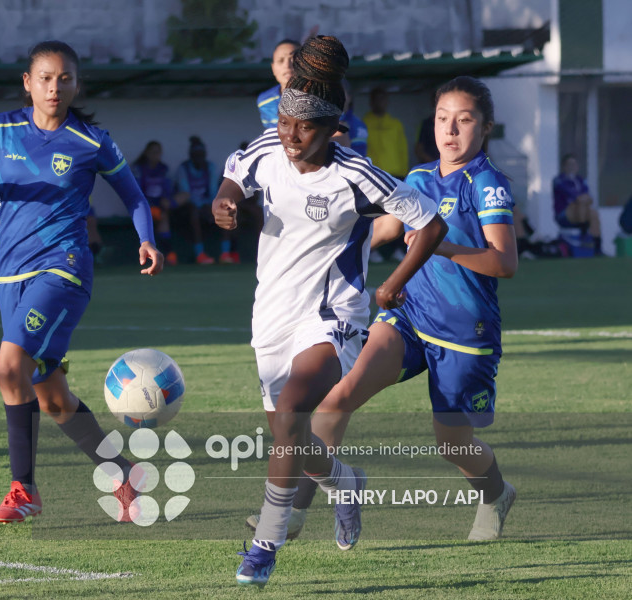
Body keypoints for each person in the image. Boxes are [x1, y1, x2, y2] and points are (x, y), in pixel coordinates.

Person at [213, 35, 447, 587]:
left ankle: (265, 543)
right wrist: (225, 204)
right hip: (270, 314)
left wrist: (392, 283)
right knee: (294, 441)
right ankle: (343, 481)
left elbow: (430, 225)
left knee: (294, 411)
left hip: (333, 315)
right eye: (286, 122)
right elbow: (233, 179)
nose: (292, 136)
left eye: (306, 127)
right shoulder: (268, 146)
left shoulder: (356, 174)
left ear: (333, 126)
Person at [255, 75, 519, 545]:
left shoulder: (487, 184)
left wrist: (442, 247)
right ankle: (295, 512)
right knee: (336, 399)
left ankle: (495, 493)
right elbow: (379, 232)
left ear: (487, 128)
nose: (451, 129)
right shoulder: (417, 179)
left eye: (464, 119)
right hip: (409, 316)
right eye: (442, 119)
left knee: (452, 443)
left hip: (465, 329)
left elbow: (504, 262)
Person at [0, 40, 162, 524]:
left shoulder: (92, 141)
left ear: (76, 85)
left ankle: (24, 491)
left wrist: (145, 239)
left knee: (8, 366)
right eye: (45, 77)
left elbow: (134, 197)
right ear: (27, 82)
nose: (54, 87)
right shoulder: (0, 130)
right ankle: (125, 476)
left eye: (64, 79)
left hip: (64, 269)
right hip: (10, 277)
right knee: (52, 397)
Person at [363, 86, 409, 262]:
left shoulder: (395, 123)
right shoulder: (364, 122)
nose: (380, 103)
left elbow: (402, 148)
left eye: (383, 99)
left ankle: (399, 248)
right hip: (373, 175)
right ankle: (373, 250)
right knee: (373, 214)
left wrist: (404, 173)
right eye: (377, 99)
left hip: (395, 174)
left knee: (399, 213)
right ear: (371, 102)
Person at [175, 136, 236, 264]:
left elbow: (214, 191)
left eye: (201, 155)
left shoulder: (210, 167)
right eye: (196, 155)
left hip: (207, 205)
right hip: (189, 206)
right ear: (191, 155)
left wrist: (211, 205)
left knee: (226, 209)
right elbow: (185, 193)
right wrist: (200, 206)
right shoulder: (183, 169)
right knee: (193, 212)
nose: (199, 158)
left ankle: (225, 253)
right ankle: (200, 254)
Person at [132, 141, 177, 265]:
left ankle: (167, 254)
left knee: (167, 210)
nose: (155, 154)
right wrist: (150, 204)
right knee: (162, 217)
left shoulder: (163, 168)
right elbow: (136, 191)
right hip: (143, 206)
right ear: (146, 153)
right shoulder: (138, 168)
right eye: (152, 151)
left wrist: (165, 199)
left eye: (158, 152)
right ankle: (169, 253)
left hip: (161, 205)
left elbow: (168, 188)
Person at [552, 153, 604, 256]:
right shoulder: (558, 180)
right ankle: (583, 231)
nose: (572, 167)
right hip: (564, 215)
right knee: (579, 203)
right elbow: (571, 195)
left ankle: (597, 249)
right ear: (564, 166)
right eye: (570, 164)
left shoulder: (580, 180)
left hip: (581, 212)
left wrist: (583, 199)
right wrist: (581, 198)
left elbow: (589, 197)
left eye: (574, 164)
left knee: (594, 214)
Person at [256, 39, 300, 130]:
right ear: (273, 68)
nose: (287, 65)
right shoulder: (264, 101)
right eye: (280, 60)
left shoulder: (323, 97)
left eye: (294, 59)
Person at [414, 91, 439, 165]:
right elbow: (418, 150)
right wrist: (434, 164)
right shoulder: (426, 124)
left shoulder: (452, 124)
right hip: (431, 167)